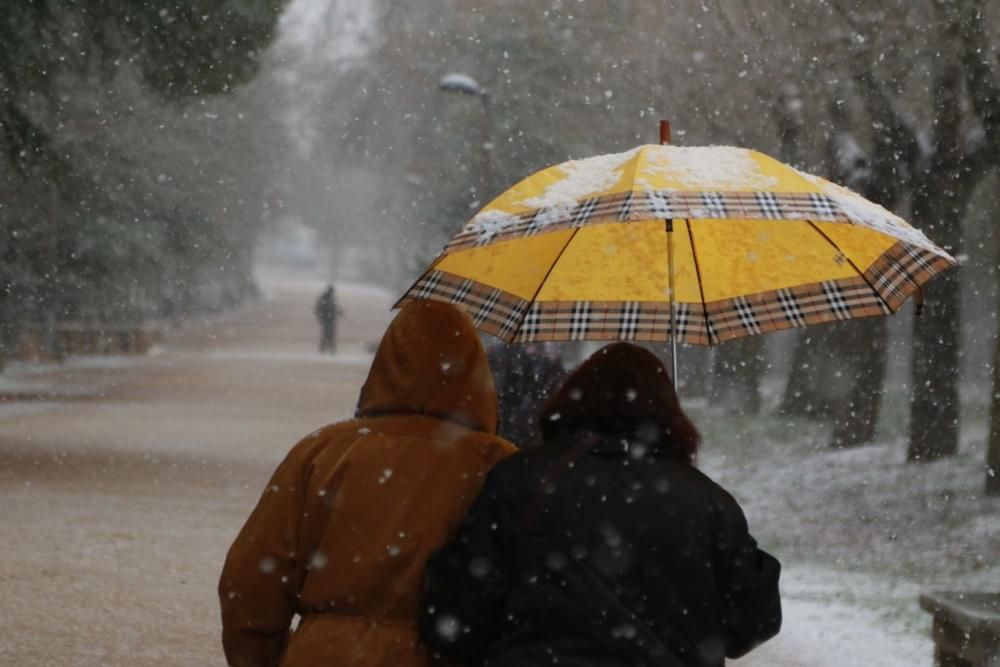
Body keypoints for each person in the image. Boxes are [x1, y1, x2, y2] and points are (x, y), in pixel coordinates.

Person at [419, 342, 781, 667]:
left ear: (569, 399)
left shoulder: (518, 479)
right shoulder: (707, 501)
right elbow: (751, 625)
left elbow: (459, 613)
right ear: (668, 413)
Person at [219, 299, 517, 667]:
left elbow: (250, 586)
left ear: (386, 364)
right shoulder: (498, 464)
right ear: (477, 371)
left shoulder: (321, 452)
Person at [487, 340, 565, 447]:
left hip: (530, 426)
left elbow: (554, 388)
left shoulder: (547, 357)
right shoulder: (504, 353)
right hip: (511, 424)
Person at [314, 285, 341, 353]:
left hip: (330, 319)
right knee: (327, 335)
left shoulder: (329, 298)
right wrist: (321, 318)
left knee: (330, 335)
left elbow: (334, 308)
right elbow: (319, 309)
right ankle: (325, 350)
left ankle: (330, 350)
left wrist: (338, 312)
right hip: (327, 320)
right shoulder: (325, 298)